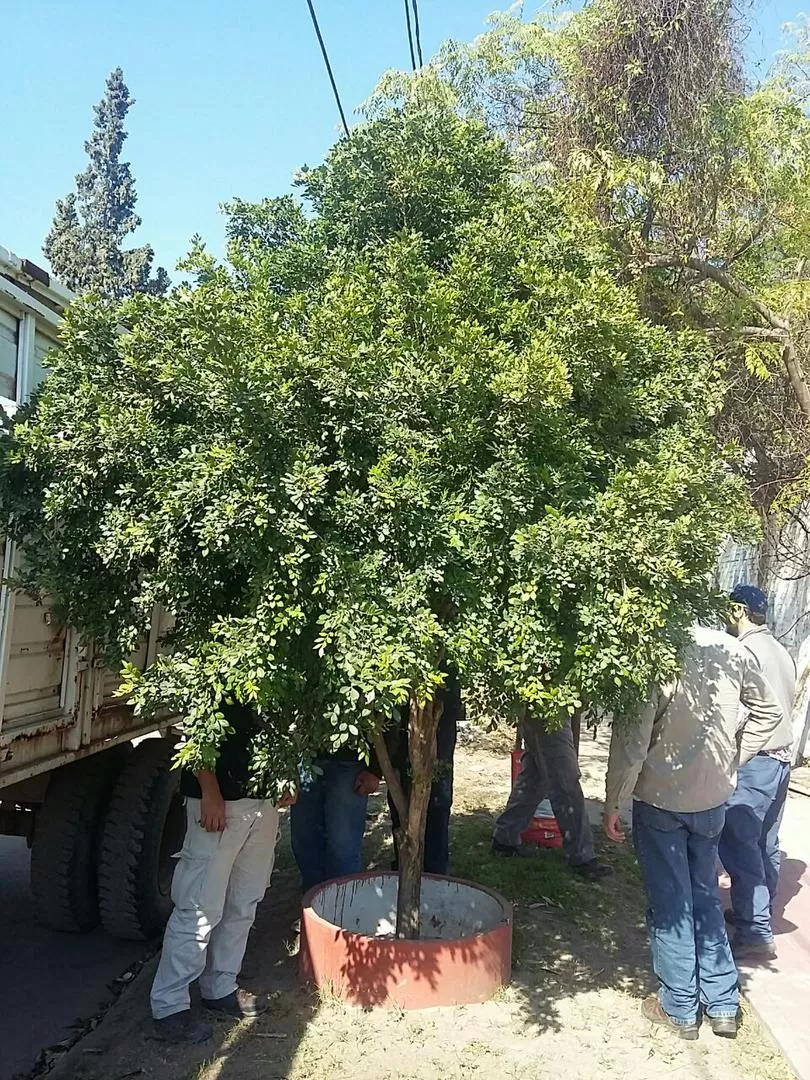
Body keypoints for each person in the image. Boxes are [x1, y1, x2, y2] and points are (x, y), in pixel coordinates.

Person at [603, 624, 784, 1040]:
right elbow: (770, 712)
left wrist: (614, 800)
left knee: (673, 906)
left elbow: (632, 739)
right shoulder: (732, 648)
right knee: (703, 896)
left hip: (662, 801)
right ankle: (722, 1003)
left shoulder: (657, 647)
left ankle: (680, 1007)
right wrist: (732, 759)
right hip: (712, 799)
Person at [150, 701, 294, 1044]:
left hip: (263, 801)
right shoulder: (218, 651)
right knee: (199, 906)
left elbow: (286, 722)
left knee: (244, 901)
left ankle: (220, 987)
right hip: (219, 803)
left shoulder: (282, 654)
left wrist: (287, 776)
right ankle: (169, 1006)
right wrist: (208, 788)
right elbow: (193, 721)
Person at [720, 584, 797, 960]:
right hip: (782, 760)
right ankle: (757, 913)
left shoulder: (745, 650)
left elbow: (739, 710)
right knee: (766, 842)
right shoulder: (781, 651)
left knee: (739, 844)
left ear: (739, 611)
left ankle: (755, 932)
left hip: (755, 759)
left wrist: (730, 756)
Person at [491, 711, 613, 881]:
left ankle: (505, 838)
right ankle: (582, 857)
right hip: (551, 710)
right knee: (566, 784)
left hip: (543, 707)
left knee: (534, 779)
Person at [387, 668, 462, 876]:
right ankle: (405, 867)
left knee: (437, 799)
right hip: (402, 721)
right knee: (401, 801)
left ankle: (435, 872)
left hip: (439, 718)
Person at [290, 747, 382, 893]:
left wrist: (375, 770)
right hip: (304, 758)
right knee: (304, 840)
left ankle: (343, 906)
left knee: (343, 847)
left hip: (350, 762)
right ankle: (315, 903)